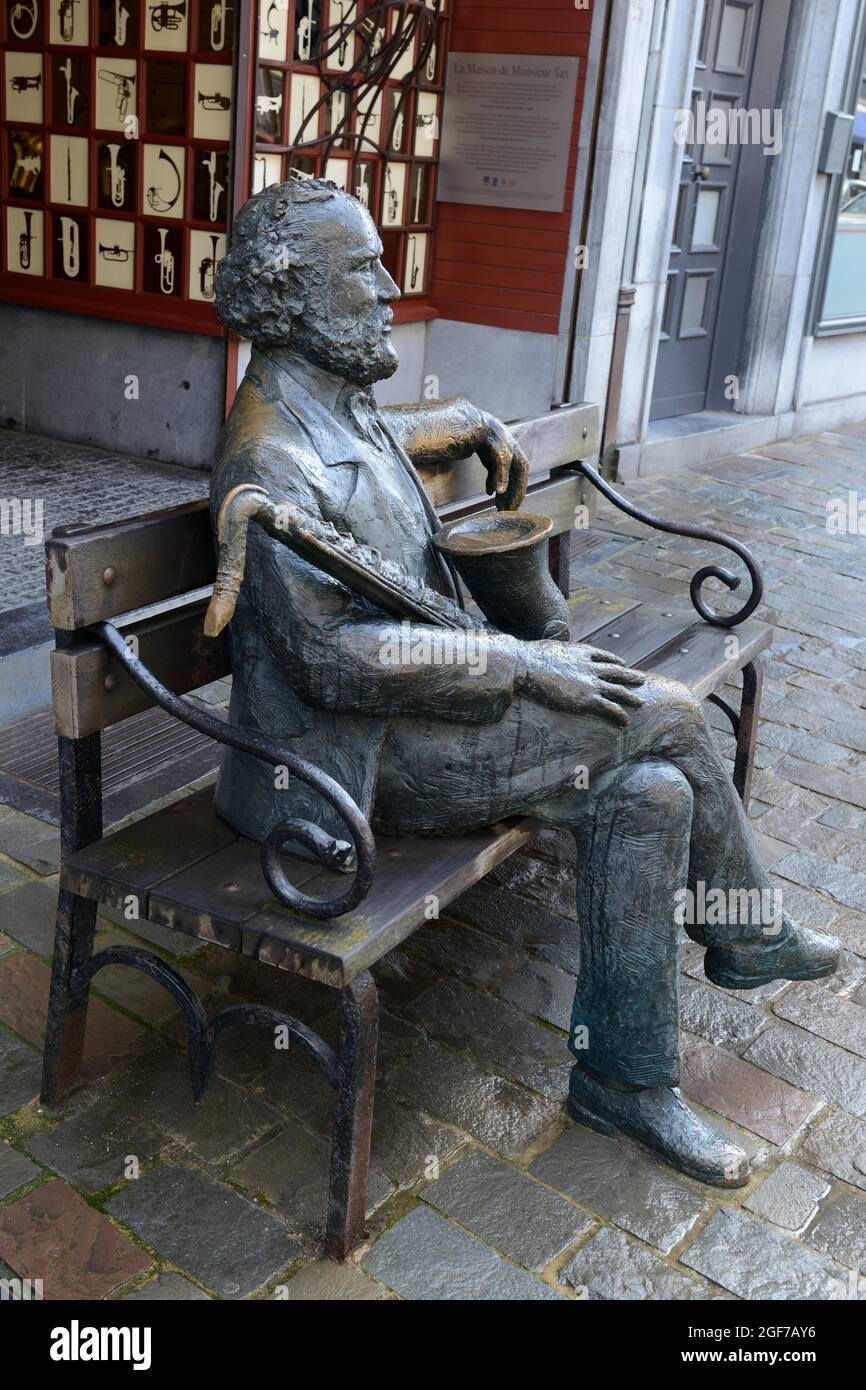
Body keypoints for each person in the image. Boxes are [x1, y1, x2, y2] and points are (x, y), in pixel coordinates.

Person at [209, 177, 839, 1187]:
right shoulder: (271, 454)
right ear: (293, 300)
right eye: (361, 272)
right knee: (664, 713)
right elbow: (334, 660)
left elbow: (376, 440)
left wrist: (451, 416)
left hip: (415, 715)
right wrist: (519, 658)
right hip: (345, 767)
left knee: (650, 793)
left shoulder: (325, 401)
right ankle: (744, 931)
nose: (384, 289)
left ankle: (622, 1083)